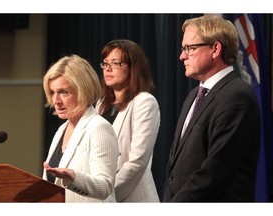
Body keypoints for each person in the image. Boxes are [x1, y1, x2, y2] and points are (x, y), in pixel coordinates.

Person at [163, 15, 261, 202]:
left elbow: (214, 173)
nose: (182, 56)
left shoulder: (237, 96)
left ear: (215, 49)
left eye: (189, 48)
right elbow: (173, 167)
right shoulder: (193, 96)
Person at [42, 54, 118, 202]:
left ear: (83, 90)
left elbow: (105, 187)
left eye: (63, 92)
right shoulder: (61, 130)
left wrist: (73, 178)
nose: (56, 101)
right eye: (52, 92)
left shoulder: (98, 127)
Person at [96, 39, 160, 202]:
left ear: (133, 68)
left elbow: (137, 161)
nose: (108, 68)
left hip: (132, 197)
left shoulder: (144, 102)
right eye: (105, 63)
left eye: (116, 63)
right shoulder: (101, 104)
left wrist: (105, 193)